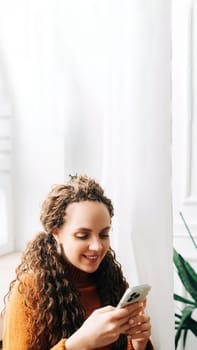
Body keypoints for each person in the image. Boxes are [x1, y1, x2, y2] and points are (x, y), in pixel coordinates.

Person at [2, 174, 154, 350]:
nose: (97, 246)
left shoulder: (111, 281)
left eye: (104, 234)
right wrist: (78, 344)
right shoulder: (29, 290)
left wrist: (138, 344)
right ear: (56, 233)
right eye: (83, 236)